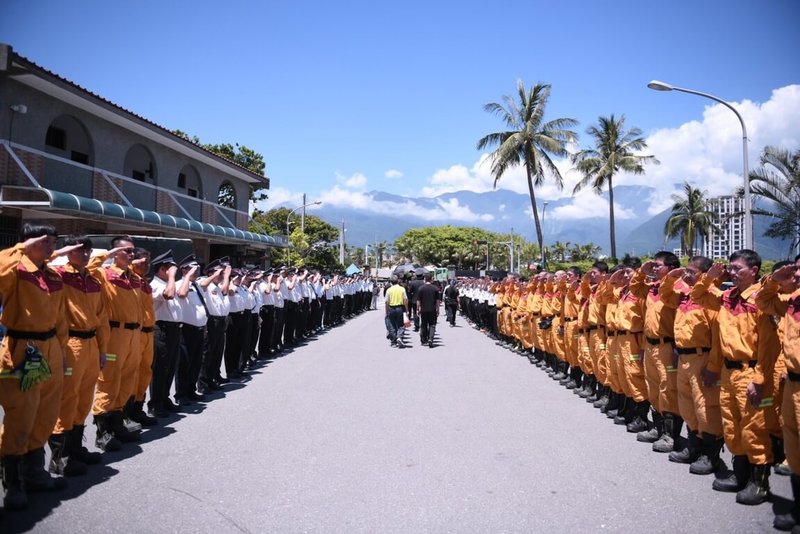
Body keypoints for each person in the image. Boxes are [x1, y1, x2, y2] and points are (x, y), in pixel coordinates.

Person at [692, 249, 780, 505]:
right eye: (730, 268)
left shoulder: (761, 301)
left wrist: (761, 380)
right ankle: (740, 474)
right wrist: (709, 277)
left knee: (755, 428)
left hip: (751, 372)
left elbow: (768, 347)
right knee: (731, 425)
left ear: (754, 271)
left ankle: (760, 482)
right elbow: (697, 295)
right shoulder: (727, 297)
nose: (732, 272)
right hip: (728, 372)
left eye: (737, 268)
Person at [0, 222, 68, 510]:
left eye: (54, 241)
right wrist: (20, 249)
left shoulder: (52, 275)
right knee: (21, 414)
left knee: (46, 411)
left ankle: (34, 471)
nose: (51, 246)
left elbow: (61, 316)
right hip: (23, 348)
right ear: (29, 242)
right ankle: (13, 482)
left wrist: (63, 352)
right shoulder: (15, 267)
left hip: (51, 347)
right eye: (45, 240)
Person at [48, 236, 109, 477]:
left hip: (91, 342)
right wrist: (62, 252)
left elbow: (102, 317)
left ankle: (75, 448)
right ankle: (59, 458)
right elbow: (41, 262)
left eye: (88, 251)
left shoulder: (93, 280)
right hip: (70, 342)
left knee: (84, 398)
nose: (85, 255)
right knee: (67, 398)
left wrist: (103, 349)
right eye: (79, 250)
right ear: (69, 251)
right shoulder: (59, 275)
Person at [88, 236, 142, 448]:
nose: (131, 255)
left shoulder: (134, 278)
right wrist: (105, 256)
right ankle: (103, 431)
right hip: (114, 335)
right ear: (114, 252)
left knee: (127, 380)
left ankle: (117, 423)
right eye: (126, 251)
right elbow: (89, 269)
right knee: (108, 381)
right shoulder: (104, 274)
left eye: (133, 251)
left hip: (133, 335)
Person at [147, 250, 182, 419]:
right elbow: (168, 295)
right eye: (171, 269)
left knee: (170, 365)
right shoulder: (156, 285)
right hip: (161, 329)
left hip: (173, 329)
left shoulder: (168, 283)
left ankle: (164, 397)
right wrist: (171, 277)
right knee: (160, 368)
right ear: (162, 269)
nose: (174, 272)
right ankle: (155, 403)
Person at [174, 254, 208, 406]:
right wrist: (187, 277)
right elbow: (182, 294)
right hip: (186, 330)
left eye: (197, 269)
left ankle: (191, 390)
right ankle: (181, 394)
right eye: (193, 269)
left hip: (200, 329)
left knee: (196, 362)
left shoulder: (196, 286)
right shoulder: (179, 284)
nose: (196, 272)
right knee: (184, 363)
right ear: (184, 270)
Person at [417, 274, 440, 348]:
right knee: (432, 325)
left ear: (425, 279)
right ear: (431, 279)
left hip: (423, 309)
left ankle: (423, 340)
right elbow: (437, 301)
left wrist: (418, 308)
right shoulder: (435, 288)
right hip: (432, 309)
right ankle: (430, 338)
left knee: (424, 325)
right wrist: (438, 309)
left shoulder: (421, 288)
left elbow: (418, 300)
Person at [384, 276, 408, 347]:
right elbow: (405, 300)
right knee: (401, 324)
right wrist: (407, 310)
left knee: (392, 325)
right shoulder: (402, 289)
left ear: (391, 282)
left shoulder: (389, 290)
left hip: (391, 308)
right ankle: (399, 336)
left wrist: (386, 311)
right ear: (397, 281)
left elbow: (386, 302)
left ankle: (393, 342)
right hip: (399, 308)